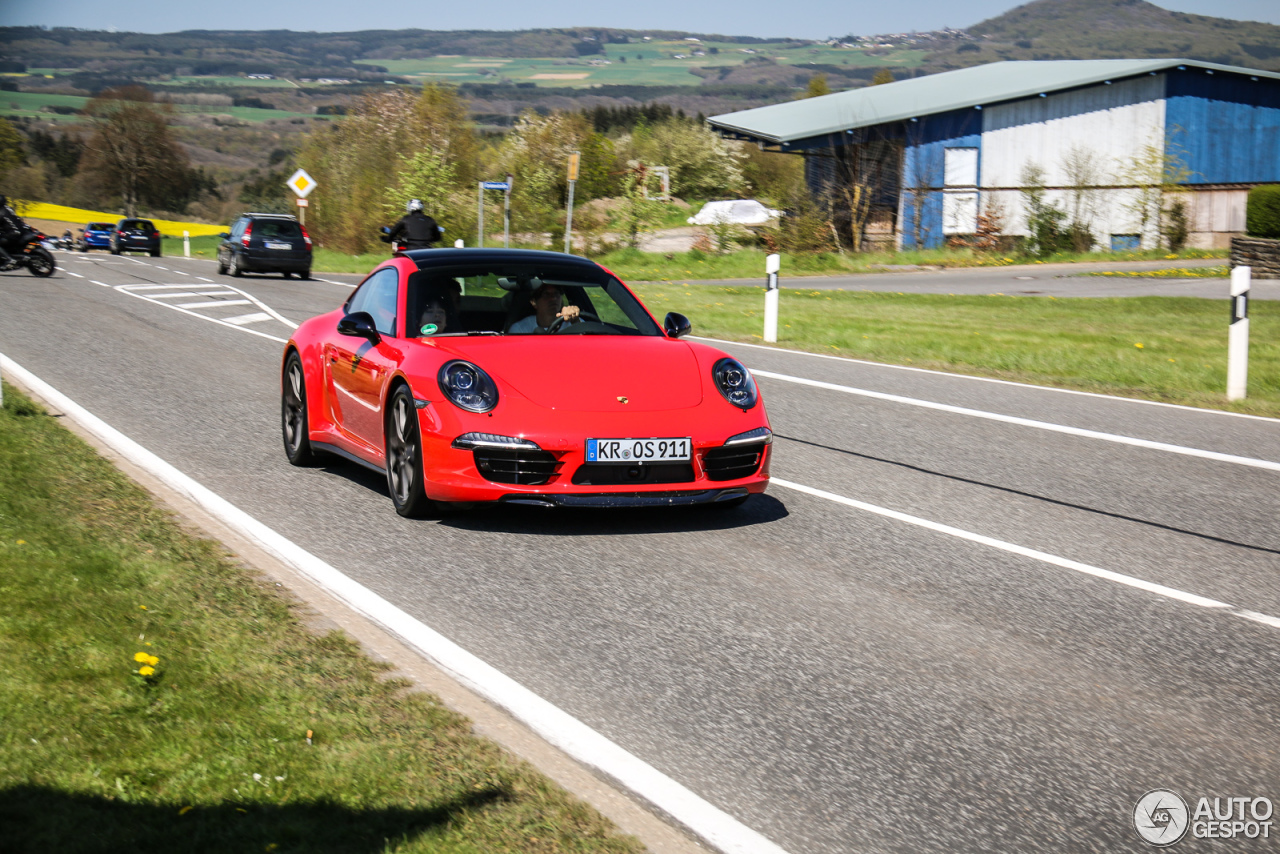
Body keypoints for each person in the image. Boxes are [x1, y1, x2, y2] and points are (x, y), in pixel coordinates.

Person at [508, 282, 581, 333]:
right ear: (534, 302)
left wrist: (576, 323)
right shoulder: (520, 329)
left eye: (557, 294)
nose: (553, 298)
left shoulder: (574, 321)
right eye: (546, 294)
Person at [0, 195, 23, 270]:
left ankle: (9, 259)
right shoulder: (8, 208)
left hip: (13, 233)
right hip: (21, 230)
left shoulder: (1, 213)